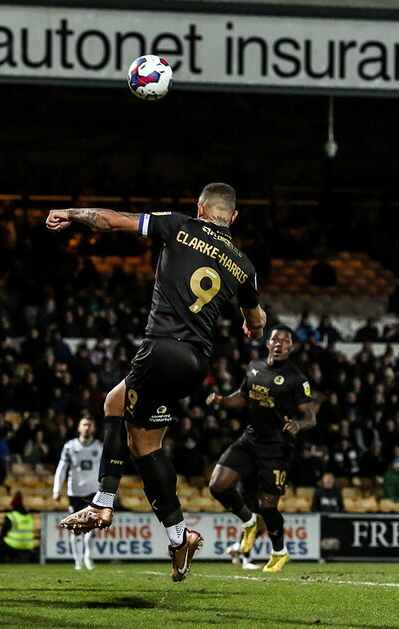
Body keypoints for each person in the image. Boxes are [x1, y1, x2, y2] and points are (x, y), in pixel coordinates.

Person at [47, 183, 266, 583]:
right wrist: (253, 326)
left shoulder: (180, 225)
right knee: (138, 433)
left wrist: (71, 212)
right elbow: (256, 319)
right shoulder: (244, 265)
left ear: (200, 208)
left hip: (162, 347)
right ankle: (180, 537)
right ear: (233, 216)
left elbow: (111, 221)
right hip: (196, 364)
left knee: (120, 415)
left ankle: (102, 503)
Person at [206, 325, 317, 572]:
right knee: (217, 485)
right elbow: (242, 396)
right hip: (250, 439)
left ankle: (279, 552)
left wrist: (298, 424)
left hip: (277, 448)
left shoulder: (296, 378)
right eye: (276, 339)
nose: (280, 344)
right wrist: (223, 400)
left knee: (268, 507)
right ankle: (249, 521)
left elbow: (310, 417)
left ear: (291, 347)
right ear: (268, 343)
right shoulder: (255, 367)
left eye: (285, 341)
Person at [52, 415, 103, 571]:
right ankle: (78, 561)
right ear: (78, 428)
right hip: (75, 493)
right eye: (84, 425)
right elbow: (61, 468)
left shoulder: (99, 447)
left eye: (89, 425)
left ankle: (88, 556)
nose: (87, 428)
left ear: (94, 428)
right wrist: (56, 489)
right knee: (76, 528)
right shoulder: (70, 447)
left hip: (94, 492)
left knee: (93, 526)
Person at [0, 492, 37, 563]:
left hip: (13, 544)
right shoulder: (29, 516)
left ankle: (4, 565)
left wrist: (1, 538)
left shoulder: (12, 515)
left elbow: (4, 531)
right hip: (28, 545)